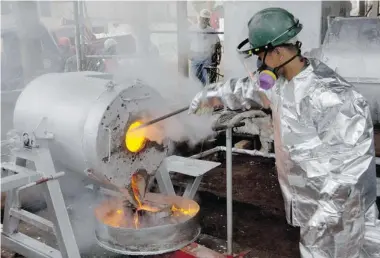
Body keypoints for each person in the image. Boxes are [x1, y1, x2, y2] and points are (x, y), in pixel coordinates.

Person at [189, 7, 380, 258]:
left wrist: (326, 215)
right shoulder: (280, 83)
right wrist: (207, 96)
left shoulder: (332, 97)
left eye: (260, 55)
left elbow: (352, 169)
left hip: (336, 212)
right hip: (313, 203)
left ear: (277, 52)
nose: (259, 64)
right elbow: (244, 89)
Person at [189, 9, 221, 86]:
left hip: (207, 57)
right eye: (203, 18)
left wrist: (218, 57)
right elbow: (186, 42)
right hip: (195, 57)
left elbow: (217, 44)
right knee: (195, 76)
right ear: (199, 18)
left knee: (207, 78)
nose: (204, 20)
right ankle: (201, 90)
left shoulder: (211, 31)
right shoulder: (192, 29)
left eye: (206, 19)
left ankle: (205, 92)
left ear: (208, 20)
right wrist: (188, 54)